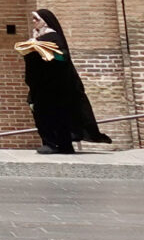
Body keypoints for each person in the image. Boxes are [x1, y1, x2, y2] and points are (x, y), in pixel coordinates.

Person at [15, 8, 113, 153]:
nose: (34, 22)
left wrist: (46, 53)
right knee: (43, 114)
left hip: (55, 85)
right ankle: (51, 143)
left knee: (57, 115)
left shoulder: (53, 37)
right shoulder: (36, 38)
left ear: (45, 21)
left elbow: (62, 57)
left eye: (36, 19)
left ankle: (60, 144)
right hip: (41, 84)